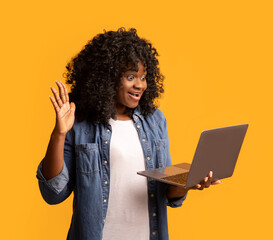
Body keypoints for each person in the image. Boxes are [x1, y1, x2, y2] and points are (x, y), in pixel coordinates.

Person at [36, 28, 221, 240]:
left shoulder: (155, 120)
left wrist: (187, 184)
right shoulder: (80, 122)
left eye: (143, 77)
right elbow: (53, 193)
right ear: (106, 77)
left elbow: (167, 193)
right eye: (130, 76)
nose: (139, 85)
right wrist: (59, 134)